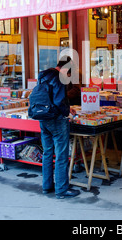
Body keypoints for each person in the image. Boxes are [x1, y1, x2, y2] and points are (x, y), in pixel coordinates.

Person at [38, 56, 80, 199]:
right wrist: (67, 112)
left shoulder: (44, 75)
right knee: (62, 155)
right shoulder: (60, 78)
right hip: (56, 120)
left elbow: (48, 98)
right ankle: (61, 189)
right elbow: (58, 101)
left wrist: (68, 109)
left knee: (47, 152)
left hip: (43, 119)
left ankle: (46, 186)